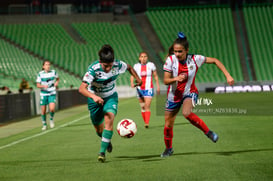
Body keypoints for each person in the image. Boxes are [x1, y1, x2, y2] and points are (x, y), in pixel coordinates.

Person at [161, 32, 234, 157]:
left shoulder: (196, 59)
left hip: (190, 92)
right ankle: (169, 149)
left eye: (180, 51)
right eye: (175, 51)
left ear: (187, 50)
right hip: (173, 96)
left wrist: (228, 75)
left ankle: (208, 132)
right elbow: (166, 81)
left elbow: (215, 60)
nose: (177, 54)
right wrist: (176, 78)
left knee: (186, 113)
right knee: (168, 125)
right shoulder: (170, 60)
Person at [78, 44, 142, 163]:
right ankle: (106, 140)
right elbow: (82, 88)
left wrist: (138, 79)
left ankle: (101, 153)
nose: (108, 69)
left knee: (109, 117)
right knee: (98, 129)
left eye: (110, 66)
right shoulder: (93, 69)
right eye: (105, 66)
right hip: (94, 100)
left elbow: (129, 67)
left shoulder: (118, 64)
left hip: (110, 97)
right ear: (100, 62)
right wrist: (94, 97)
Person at [130, 52, 160, 128]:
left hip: (148, 88)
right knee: (142, 107)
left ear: (147, 58)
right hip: (139, 89)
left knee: (147, 106)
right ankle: (145, 122)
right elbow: (132, 76)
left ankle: (147, 123)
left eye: (145, 56)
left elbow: (155, 76)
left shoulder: (151, 65)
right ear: (139, 58)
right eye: (142, 57)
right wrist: (132, 83)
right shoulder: (136, 66)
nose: (143, 58)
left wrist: (158, 86)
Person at [36, 60, 59, 131]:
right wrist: (43, 86)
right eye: (46, 65)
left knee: (52, 108)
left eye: (49, 64)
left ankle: (51, 119)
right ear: (43, 66)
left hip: (52, 92)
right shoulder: (40, 74)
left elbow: (58, 79)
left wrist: (56, 83)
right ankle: (44, 124)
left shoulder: (53, 72)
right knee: (43, 110)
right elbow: (38, 85)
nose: (48, 66)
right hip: (44, 93)